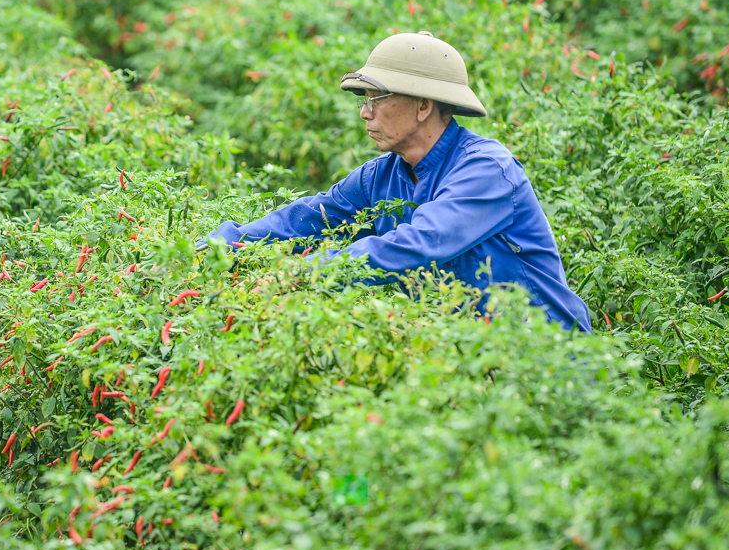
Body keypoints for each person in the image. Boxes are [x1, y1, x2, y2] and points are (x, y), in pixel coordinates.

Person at [201, 30, 592, 332]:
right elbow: (305, 219)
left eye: (376, 99)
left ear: (422, 106)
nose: (365, 113)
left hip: (547, 358)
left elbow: (422, 242)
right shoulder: (381, 176)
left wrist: (308, 271)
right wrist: (217, 246)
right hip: (472, 358)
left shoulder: (487, 169)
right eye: (363, 100)